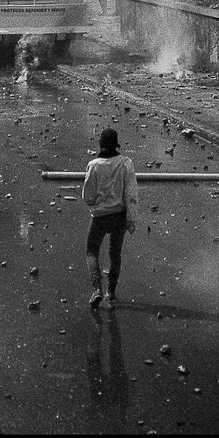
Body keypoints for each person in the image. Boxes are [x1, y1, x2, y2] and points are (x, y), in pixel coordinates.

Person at [82, 127, 140, 309]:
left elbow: (88, 196)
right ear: (117, 145)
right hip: (119, 217)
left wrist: (96, 204)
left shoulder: (94, 166)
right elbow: (131, 194)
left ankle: (97, 289)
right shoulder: (126, 163)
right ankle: (111, 293)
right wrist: (131, 219)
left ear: (100, 144)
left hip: (99, 217)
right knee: (115, 254)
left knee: (92, 252)